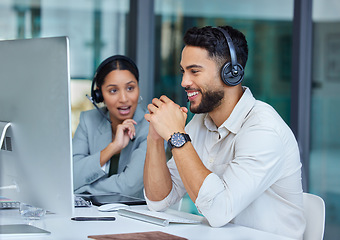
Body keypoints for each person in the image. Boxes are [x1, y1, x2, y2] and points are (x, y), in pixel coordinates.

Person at [143, 26, 306, 239]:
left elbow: (218, 211)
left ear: (231, 73)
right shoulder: (201, 122)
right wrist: (156, 137)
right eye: (183, 71)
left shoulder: (263, 129)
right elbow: (159, 200)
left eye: (195, 71)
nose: (184, 82)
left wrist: (177, 135)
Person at [73, 55, 148, 199]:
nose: (124, 99)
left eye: (130, 88)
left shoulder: (151, 127)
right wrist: (113, 147)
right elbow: (71, 176)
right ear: (99, 95)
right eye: (113, 90)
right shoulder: (88, 121)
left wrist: (82, 188)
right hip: (91, 215)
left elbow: (128, 188)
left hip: (134, 216)